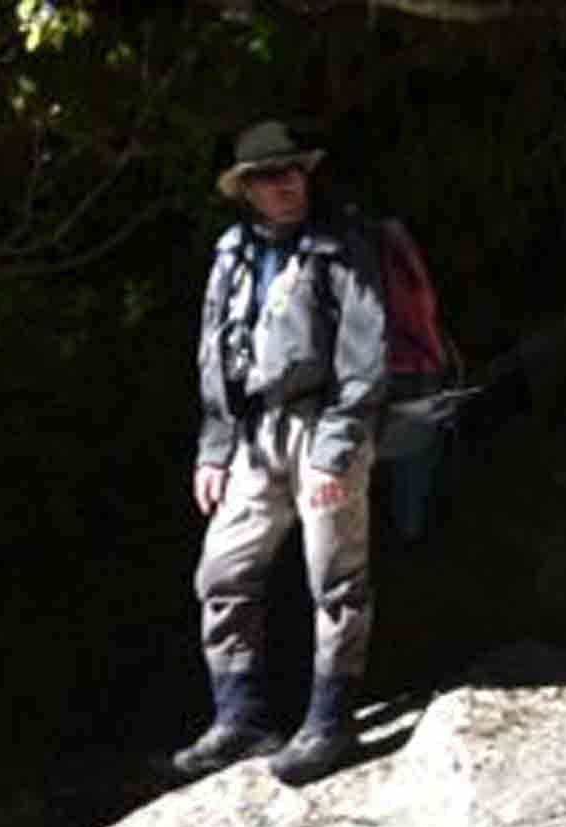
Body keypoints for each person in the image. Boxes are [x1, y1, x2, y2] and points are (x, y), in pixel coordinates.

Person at [172, 118, 388, 787]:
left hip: (324, 424)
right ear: (246, 190)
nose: (287, 184)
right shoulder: (233, 252)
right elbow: (214, 356)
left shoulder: (341, 246)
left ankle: (329, 722)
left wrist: (337, 448)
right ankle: (241, 718)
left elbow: (365, 353)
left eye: (294, 171)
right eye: (270, 176)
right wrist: (214, 449)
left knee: (336, 579)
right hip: (254, 436)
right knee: (222, 573)